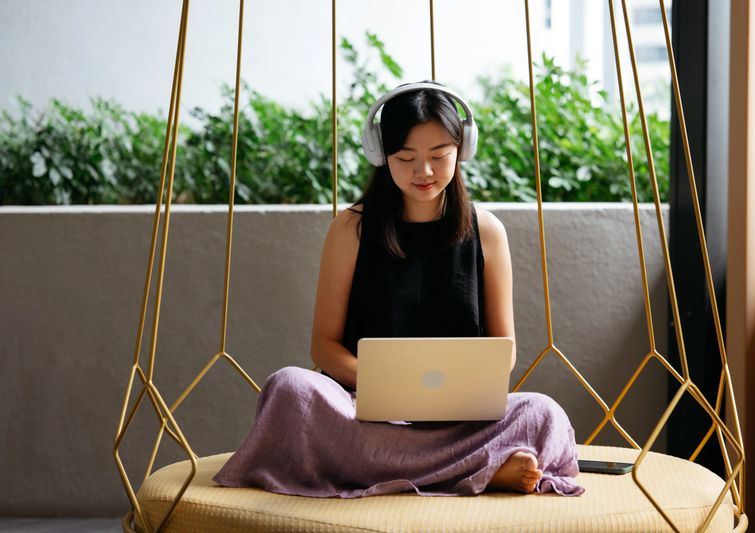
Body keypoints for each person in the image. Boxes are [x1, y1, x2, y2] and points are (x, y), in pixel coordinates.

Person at [213, 81, 583, 498]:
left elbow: (504, 348)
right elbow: (324, 346)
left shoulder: (489, 231)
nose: (423, 171)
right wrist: (386, 384)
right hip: (364, 412)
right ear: (381, 154)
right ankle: (471, 470)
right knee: (289, 388)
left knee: (542, 412)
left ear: (463, 149)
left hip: (457, 420)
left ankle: (414, 467)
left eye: (439, 156)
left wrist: (450, 391)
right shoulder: (350, 229)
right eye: (406, 158)